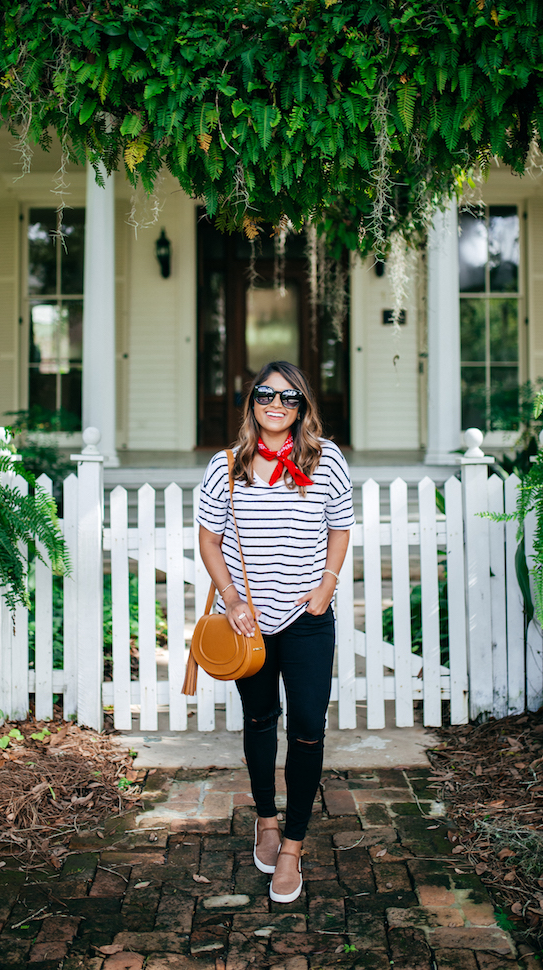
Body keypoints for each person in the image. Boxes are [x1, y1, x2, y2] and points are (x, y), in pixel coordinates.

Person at [197, 361, 354, 903]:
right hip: (250, 627)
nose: (276, 405)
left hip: (308, 620)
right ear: (252, 403)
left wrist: (327, 585)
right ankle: (266, 816)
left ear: (302, 407)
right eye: (266, 395)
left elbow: (340, 526)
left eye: (288, 398)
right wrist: (234, 600)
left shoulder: (326, 459)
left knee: (308, 730)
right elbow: (209, 542)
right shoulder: (226, 466)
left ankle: (292, 845)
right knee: (261, 720)